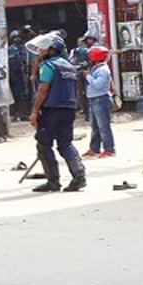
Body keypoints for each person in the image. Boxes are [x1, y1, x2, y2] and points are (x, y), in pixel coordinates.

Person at [25, 31, 87, 193]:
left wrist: (34, 112)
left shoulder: (48, 65)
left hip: (51, 110)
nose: (40, 51)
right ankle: (79, 175)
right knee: (65, 144)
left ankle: (53, 181)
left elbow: (43, 90)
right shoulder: (69, 66)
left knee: (44, 145)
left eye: (43, 49)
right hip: (69, 109)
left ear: (51, 49)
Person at [82, 45, 116, 158]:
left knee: (103, 126)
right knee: (95, 126)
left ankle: (109, 149)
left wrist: (88, 77)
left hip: (100, 99)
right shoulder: (96, 68)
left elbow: (98, 84)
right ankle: (94, 148)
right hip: (94, 99)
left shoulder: (102, 70)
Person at [8, 30, 33, 121]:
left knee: (26, 94)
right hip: (14, 76)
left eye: (18, 37)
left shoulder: (26, 49)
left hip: (25, 75)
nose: (17, 39)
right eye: (14, 38)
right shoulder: (10, 50)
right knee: (15, 95)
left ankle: (25, 113)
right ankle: (16, 114)